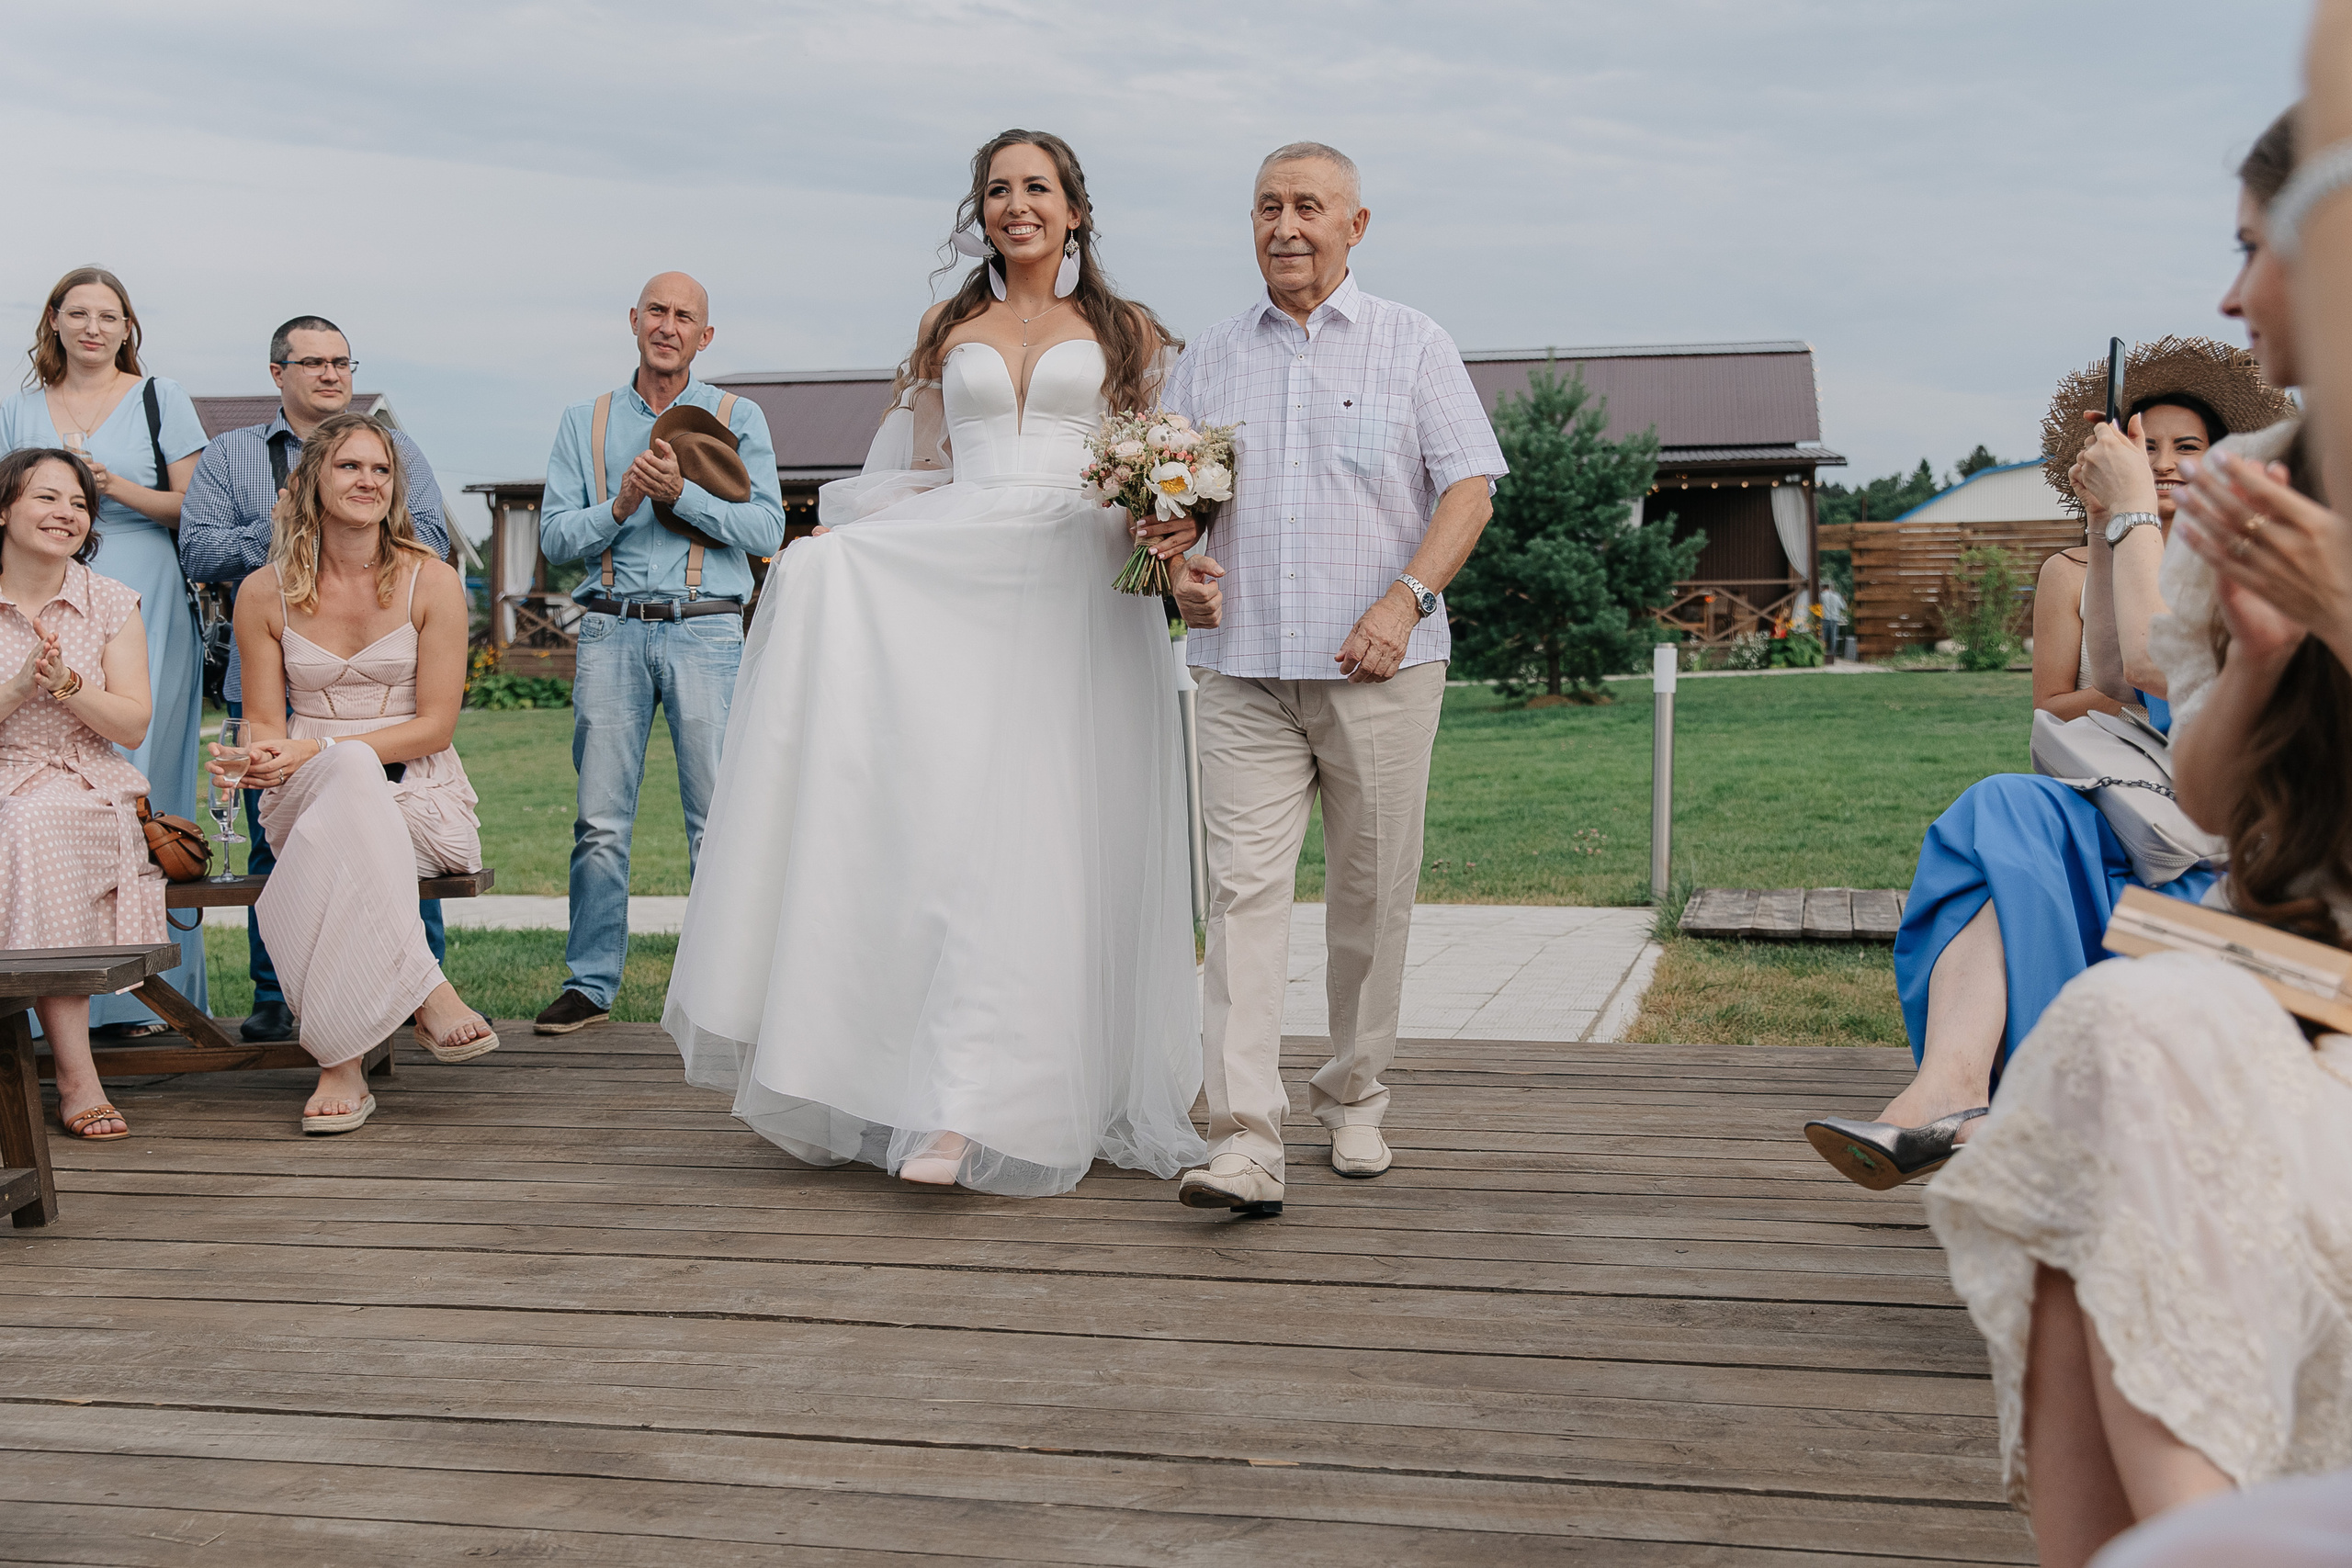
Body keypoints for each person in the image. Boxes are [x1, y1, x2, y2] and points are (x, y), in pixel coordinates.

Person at [661, 130, 1207, 1196]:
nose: (1017, 205)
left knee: (1053, 835)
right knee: (954, 832)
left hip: (1074, 585)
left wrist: (1163, 521)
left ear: (1075, 210)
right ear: (980, 212)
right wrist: (847, 542)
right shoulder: (946, 327)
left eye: (1037, 188)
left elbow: (1158, 469)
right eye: (998, 190)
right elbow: (917, 470)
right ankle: (940, 1095)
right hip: (963, 571)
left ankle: (1028, 1094)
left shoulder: (1127, 330)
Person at [1803, 331, 2293, 1191]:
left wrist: (2132, 508)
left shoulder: (2257, 559)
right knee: (2005, 811)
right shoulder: (2130, 557)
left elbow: (2154, 664)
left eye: (2187, 447)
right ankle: (1951, 1088)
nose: (2163, 463)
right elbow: (2114, 678)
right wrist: (2107, 525)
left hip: (2249, 884)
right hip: (2164, 828)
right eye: (2147, 447)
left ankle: (2017, 1112)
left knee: (2021, 872)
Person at [1163, 142, 1508, 1216]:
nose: (1286, 226)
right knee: (1241, 898)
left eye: (1309, 206)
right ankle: (1242, 1138)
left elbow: (1469, 490)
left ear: (1355, 226)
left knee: (1369, 897)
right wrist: (1176, 568)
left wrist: (1403, 602)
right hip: (1242, 672)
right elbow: (1167, 505)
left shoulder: (1413, 343)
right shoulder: (1208, 357)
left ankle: (1354, 1094)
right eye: (1267, 207)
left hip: (1380, 672)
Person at [179, 316, 453, 1045]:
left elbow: (428, 536)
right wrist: (286, 532)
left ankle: (415, 982)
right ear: (278, 372)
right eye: (314, 362)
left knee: (391, 830)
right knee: (280, 849)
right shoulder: (231, 454)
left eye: (342, 361)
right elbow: (198, 551)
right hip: (279, 679)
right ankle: (279, 994)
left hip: (390, 693)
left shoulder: (397, 449)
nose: (332, 374)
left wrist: (344, 528)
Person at [220, 413, 493, 1135]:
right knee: (341, 783)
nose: (368, 480)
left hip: (418, 788)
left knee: (344, 799)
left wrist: (320, 747)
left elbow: (436, 726)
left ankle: (339, 1061)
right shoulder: (263, 592)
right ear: (311, 479)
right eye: (349, 466)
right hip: (304, 792)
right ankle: (427, 989)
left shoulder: (433, 581)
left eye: (380, 469)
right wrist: (257, 757)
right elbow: (264, 722)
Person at [531, 273, 786, 1037]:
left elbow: (768, 530)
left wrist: (682, 495)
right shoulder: (585, 421)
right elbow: (554, 538)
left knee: (715, 822)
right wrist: (620, 506)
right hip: (611, 629)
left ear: (705, 336)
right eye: (657, 311)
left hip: (706, 630)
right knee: (600, 824)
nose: (668, 325)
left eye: (685, 316)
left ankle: (722, 993)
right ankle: (590, 984)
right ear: (634, 320)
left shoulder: (738, 417)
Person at [0, 267, 208, 1034]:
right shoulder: (17, 407)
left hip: (139, 588)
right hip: (32, 590)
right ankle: (44, 1005)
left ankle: (152, 998)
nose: (94, 327)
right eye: (79, 313)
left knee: (140, 776)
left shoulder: (160, 397)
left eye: (109, 315)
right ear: (53, 320)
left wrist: (107, 486)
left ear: (127, 327)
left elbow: (194, 506)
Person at [0, 449, 163, 1140]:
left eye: (78, 503)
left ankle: (76, 1078)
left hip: (80, 786)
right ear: (3, 509)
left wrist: (67, 684)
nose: (65, 513)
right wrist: (18, 687)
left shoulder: (112, 602)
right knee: (19, 822)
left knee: (32, 827)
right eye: (46, 497)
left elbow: (132, 723)